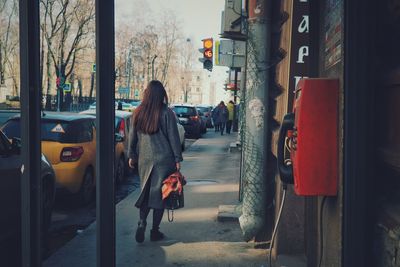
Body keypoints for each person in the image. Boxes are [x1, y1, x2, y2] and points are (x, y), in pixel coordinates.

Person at [128, 80, 183, 243]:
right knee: (161, 195)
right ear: (161, 95)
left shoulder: (138, 112)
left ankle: (141, 221)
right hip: (164, 160)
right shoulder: (166, 113)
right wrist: (177, 159)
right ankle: (154, 231)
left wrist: (132, 155)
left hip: (144, 160)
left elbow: (133, 137)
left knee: (146, 192)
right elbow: (174, 138)